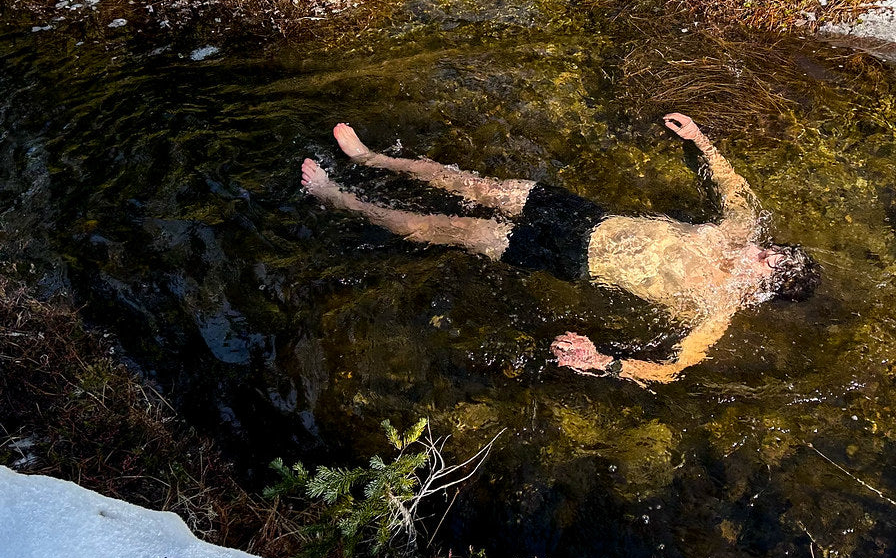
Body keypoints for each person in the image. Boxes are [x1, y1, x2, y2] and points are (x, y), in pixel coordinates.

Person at [300, 115, 820, 386]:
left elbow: (673, 369)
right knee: (471, 185)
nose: (755, 252)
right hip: (583, 216)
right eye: (768, 249)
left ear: (762, 287)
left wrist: (603, 361)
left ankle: (334, 196)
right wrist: (701, 141)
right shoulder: (741, 232)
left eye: (764, 263)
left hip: (566, 259)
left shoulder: (716, 310)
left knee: (438, 228)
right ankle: (372, 159)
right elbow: (735, 189)